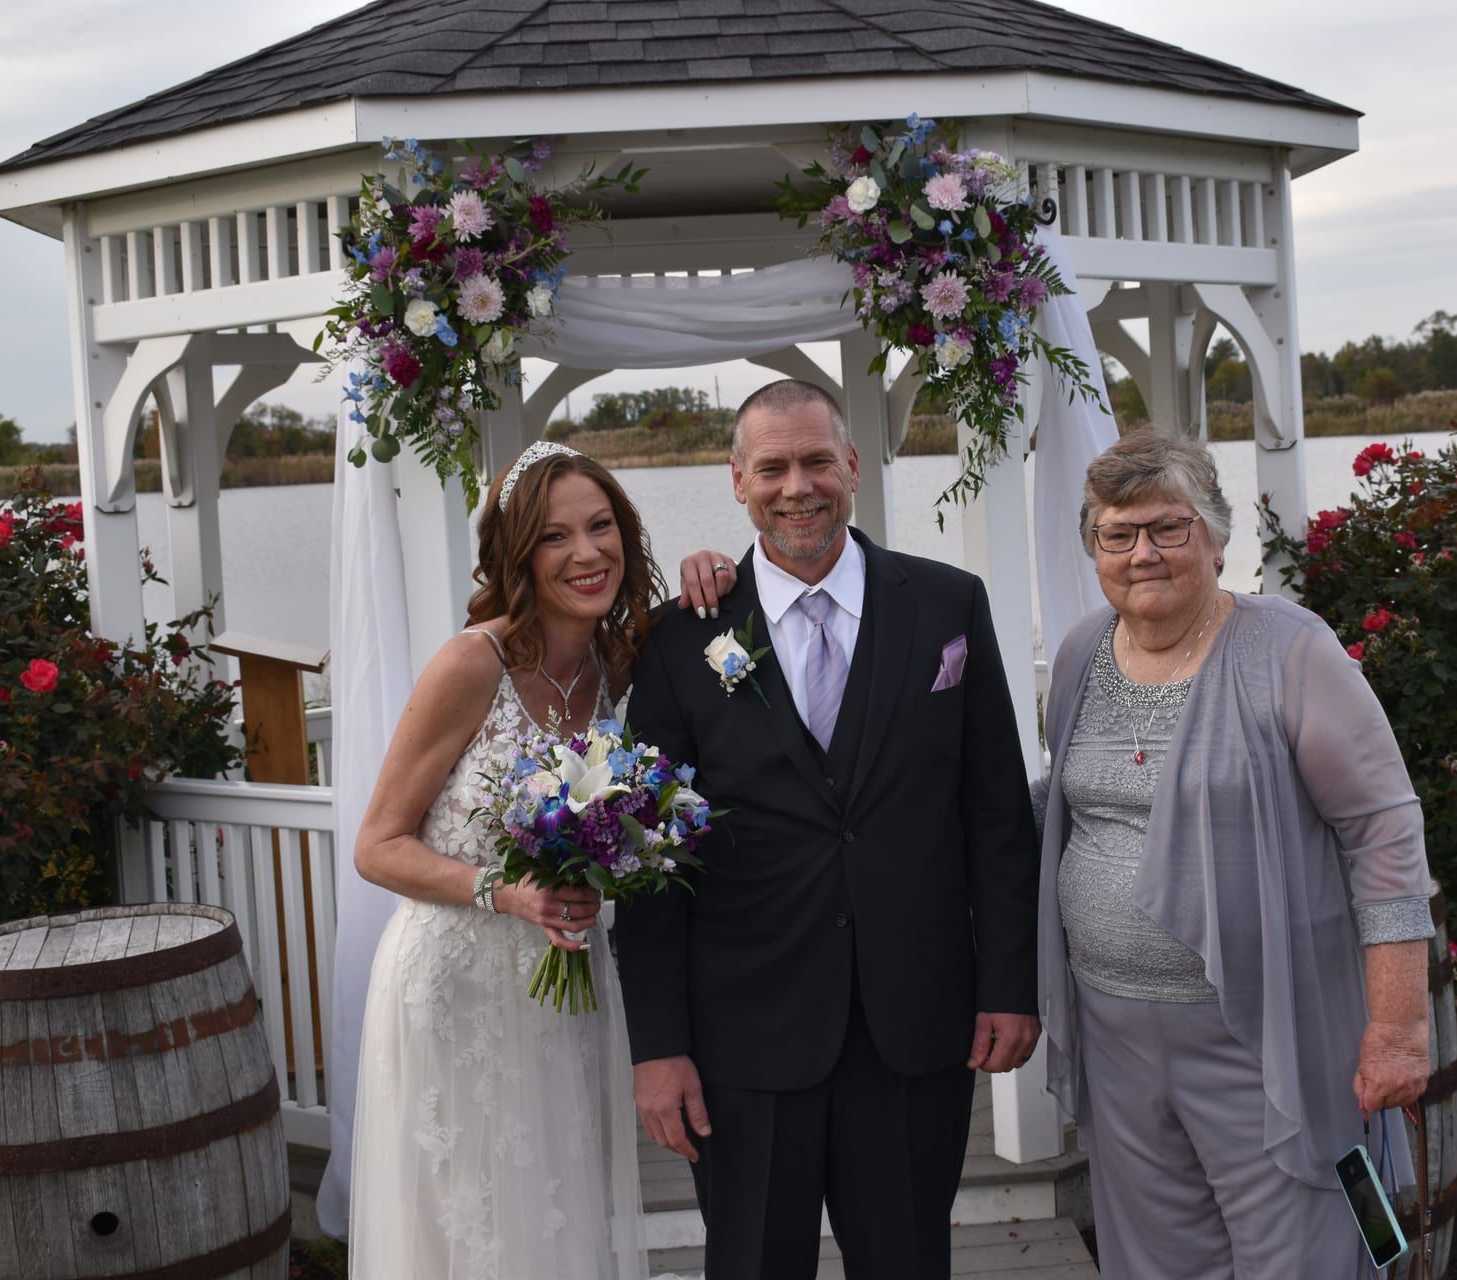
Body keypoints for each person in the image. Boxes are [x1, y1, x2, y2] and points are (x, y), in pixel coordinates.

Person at [614, 380, 1040, 1280]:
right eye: (771, 467)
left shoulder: (947, 605)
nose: (796, 486)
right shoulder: (679, 640)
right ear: (737, 482)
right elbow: (650, 866)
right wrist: (658, 1047)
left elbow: (995, 813)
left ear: (852, 466)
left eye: (816, 461)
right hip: (743, 1038)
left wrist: (1008, 982)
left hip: (914, 1024)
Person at [1035, 429, 1434, 1279]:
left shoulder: (1290, 651)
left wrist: (1398, 1028)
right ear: (1095, 549)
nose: (1143, 553)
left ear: (1216, 537)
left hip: (1268, 1031)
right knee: (1156, 1257)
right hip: (1117, 1032)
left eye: (1168, 528)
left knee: (1301, 1247)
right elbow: (1062, 808)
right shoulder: (1077, 655)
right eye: (1118, 534)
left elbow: (1385, 831)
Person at [346, 441, 737, 1279]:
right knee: (468, 1227)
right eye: (556, 537)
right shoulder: (470, 663)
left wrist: (714, 569)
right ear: (518, 554)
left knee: (555, 1211)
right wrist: (502, 891)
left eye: (602, 527)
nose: (588, 552)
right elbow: (377, 845)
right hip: (455, 990)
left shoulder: (621, 664)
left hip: (565, 998)